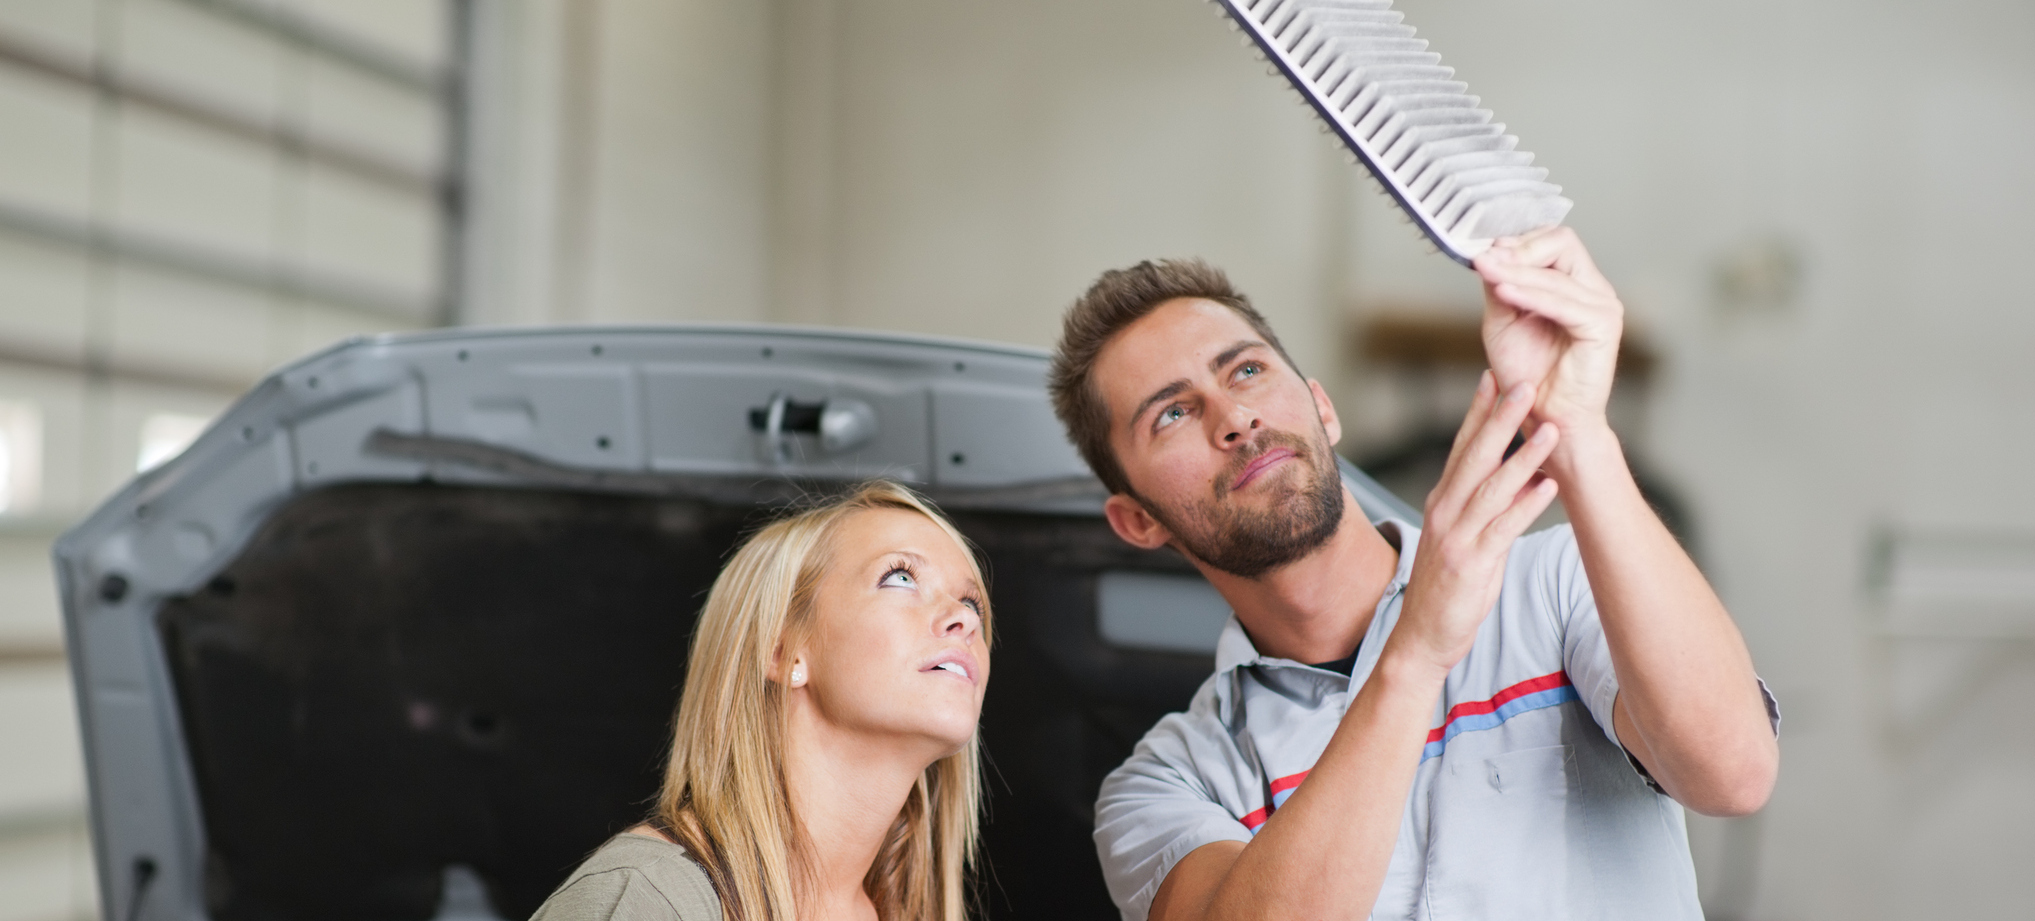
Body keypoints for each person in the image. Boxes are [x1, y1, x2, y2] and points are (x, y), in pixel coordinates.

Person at [1048, 227, 1781, 920]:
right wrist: (1417, 649)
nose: (1234, 417)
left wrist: (1581, 431)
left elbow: (1734, 772)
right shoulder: (1168, 783)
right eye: (1172, 414)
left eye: (1246, 369)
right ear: (1137, 521)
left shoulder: (1556, 582)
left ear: (1321, 406)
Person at [530, 481, 990, 921]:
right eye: (901, 577)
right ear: (780, 650)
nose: (963, 620)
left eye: (973, 604)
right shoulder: (649, 899)